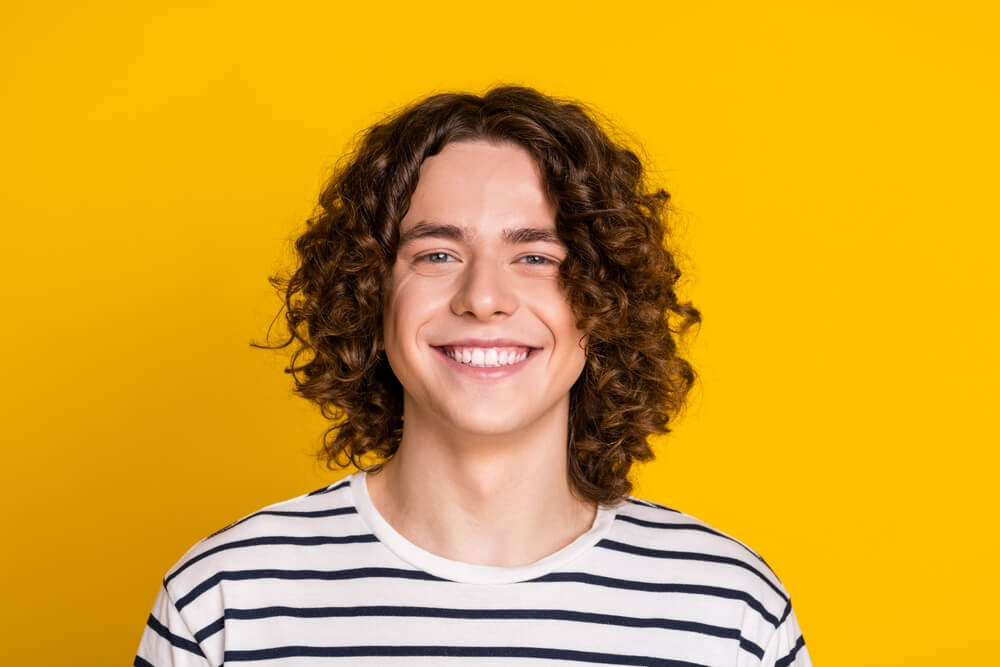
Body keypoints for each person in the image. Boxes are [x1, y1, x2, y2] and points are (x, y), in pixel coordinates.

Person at [134, 85, 811, 666]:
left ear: (603, 301)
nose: (483, 297)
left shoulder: (729, 613)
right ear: (372, 293)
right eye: (436, 253)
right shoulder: (225, 600)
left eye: (537, 257)